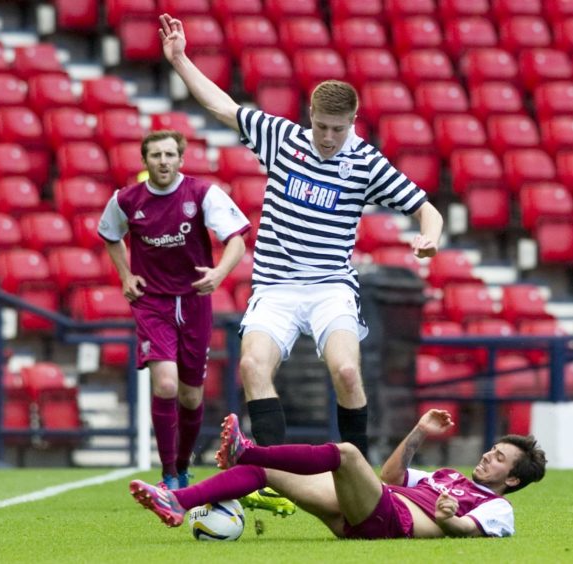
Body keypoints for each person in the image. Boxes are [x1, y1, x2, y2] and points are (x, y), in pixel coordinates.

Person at [158, 14, 444, 463]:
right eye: (322, 126)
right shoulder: (282, 138)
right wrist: (179, 60)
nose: (329, 137)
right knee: (253, 366)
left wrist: (429, 237)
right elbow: (222, 107)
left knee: (348, 371)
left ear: (353, 120)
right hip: (275, 285)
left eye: (339, 128)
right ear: (310, 114)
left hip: (331, 286)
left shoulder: (366, 162)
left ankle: (361, 478)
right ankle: (278, 474)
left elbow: (427, 208)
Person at [98, 130, 250, 489]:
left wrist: (219, 273)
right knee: (165, 384)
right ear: (145, 161)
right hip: (153, 303)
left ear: (181, 160)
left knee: (190, 395)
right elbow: (110, 235)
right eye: (155, 155)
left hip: (195, 301)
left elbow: (237, 241)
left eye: (169, 155)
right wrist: (126, 276)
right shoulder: (126, 200)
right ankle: (168, 475)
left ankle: (183, 464)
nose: (163, 161)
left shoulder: (201, 194)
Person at [129, 409, 547, 538]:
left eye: (499, 458)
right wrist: (418, 431)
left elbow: (470, 531)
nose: (488, 457)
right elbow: (390, 476)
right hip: (365, 511)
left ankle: (247, 447)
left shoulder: (498, 507)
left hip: (393, 521)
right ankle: (177, 501)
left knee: (347, 453)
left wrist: (448, 518)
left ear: (512, 479)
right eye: (492, 449)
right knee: (264, 471)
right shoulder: (448, 475)